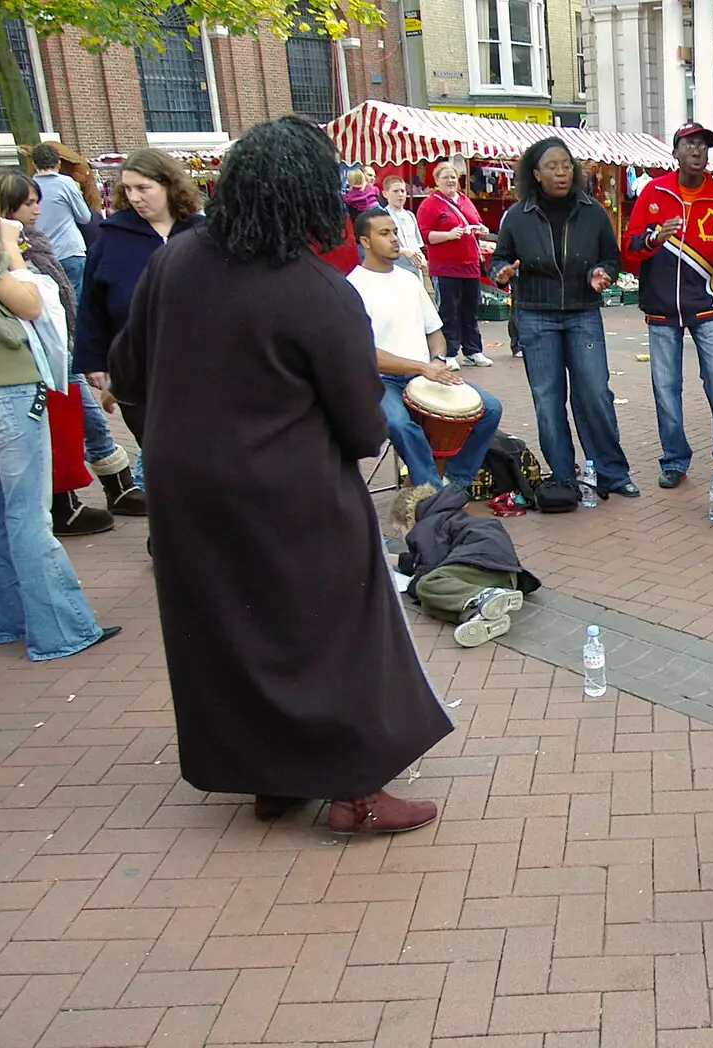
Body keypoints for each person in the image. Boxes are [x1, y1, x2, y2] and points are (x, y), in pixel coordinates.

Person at [108, 115, 450, 834]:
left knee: (228, 626)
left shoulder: (176, 260)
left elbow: (129, 369)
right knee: (332, 627)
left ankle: (270, 776)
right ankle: (354, 791)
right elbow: (363, 426)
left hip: (183, 482)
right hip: (286, 487)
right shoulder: (316, 292)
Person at [0, 144, 117, 660]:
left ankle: (9, 619)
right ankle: (59, 630)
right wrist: (9, 246)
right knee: (26, 513)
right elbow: (29, 299)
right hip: (6, 387)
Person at [491, 137, 637, 498]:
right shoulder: (517, 216)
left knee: (595, 392)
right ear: (536, 174)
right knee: (548, 398)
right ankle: (562, 476)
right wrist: (502, 271)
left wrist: (603, 273)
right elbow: (499, 258)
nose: (561, 172)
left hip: (582, 312)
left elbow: (612, 259)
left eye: (566, 165)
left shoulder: (592, 211)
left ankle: (612, 473)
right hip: (535, 315)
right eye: (552, 166)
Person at [622, 122, 713, 489]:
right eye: (689, 145)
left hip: (707, 305)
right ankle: (675, 460)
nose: (697, 152)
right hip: (661, 308)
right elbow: (629, 251)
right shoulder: (653, 194)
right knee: (665, 386)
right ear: (675, 151)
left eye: (703, 147)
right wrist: (653, 237)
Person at [76, 148, 203, 504]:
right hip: (137, 365)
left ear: (168, 185)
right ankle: (169, 532)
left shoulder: (202, 233)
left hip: (200, 365)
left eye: (143, 187)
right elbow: (92, 302)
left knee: (201, 451)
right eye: (128, 188)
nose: (134, 197)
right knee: (161, 452)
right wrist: (94, 361)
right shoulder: (113, 236)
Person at [348, 208, 502, 492]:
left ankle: (454, 482)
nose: (394, 239)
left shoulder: (409, 280)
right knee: (401, 424)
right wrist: (423, 368)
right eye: (384, 233)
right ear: (364, 242)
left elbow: (435, 332)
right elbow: (365, 354)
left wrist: (437, 359)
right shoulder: (352, 287)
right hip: (380, 381)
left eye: (394, 231)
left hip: (425, 373)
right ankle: (433, 492)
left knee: (490, 409)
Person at [0, 172, 115, 537]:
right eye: (28, 203)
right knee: (73, 416)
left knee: (77, 414)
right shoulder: (5, 247)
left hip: (58, 342)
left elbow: (59, 296)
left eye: (37, 201)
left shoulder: (33, 239)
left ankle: (113, 483)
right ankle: (77, 496)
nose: (37, 209)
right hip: (38, 352)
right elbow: (32, 300)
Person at [390, 482, 539, 646]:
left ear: (408, 519)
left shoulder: (425, 525)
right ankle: (478, 616)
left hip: (481, 562)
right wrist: (395, 560)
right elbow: (438, 555)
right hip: (504, 574)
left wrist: (413, 584)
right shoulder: (443, 517)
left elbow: (430, 568)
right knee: (430, 602)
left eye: (399, 530)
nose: (402, 536)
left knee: (426, 586)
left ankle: (486, 596)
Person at [416, 161, 493, 369]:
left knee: (470, 310)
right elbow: (425, 235)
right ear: (437, 181)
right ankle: (448, 353)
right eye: (446, 177)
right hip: (445, 267)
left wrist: (480, 229)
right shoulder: (430, 204)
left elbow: (475, 222)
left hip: (470, 265)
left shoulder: (466, 200)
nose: (450, 181)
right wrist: (448, 235)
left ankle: (473, 350)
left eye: (453, 177)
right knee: (448, 310)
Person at [29, 143, 90, 301]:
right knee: (75, 303)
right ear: (58, 163)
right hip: (70, 251)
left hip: (41, 256)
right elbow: (85, 217)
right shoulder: (66, 183)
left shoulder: (27, 187)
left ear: (34, 164)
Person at [381, 175, 429, 280]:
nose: (400, 195)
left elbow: (417, 243)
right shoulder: (382, 216)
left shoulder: (410, 215)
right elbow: (381, 246)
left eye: (403, 191)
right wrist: (405, 251)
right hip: (395, 269)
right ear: (385, 194)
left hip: (415, 270)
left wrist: (423, 259)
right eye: (395, 191)